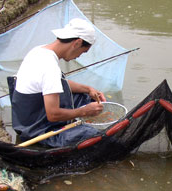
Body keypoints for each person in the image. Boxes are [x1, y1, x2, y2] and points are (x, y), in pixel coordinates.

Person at [10, 18, 106, 147]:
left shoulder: (40, 50)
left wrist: (88, 89)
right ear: (77, 43)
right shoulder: (50, 67)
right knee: (93, 135)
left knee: (85, 97)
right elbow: (53, 115)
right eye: (83, 51)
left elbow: (59, 83)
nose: (79, 56)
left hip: (24, 117)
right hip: (36, 129)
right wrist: (84, 112)